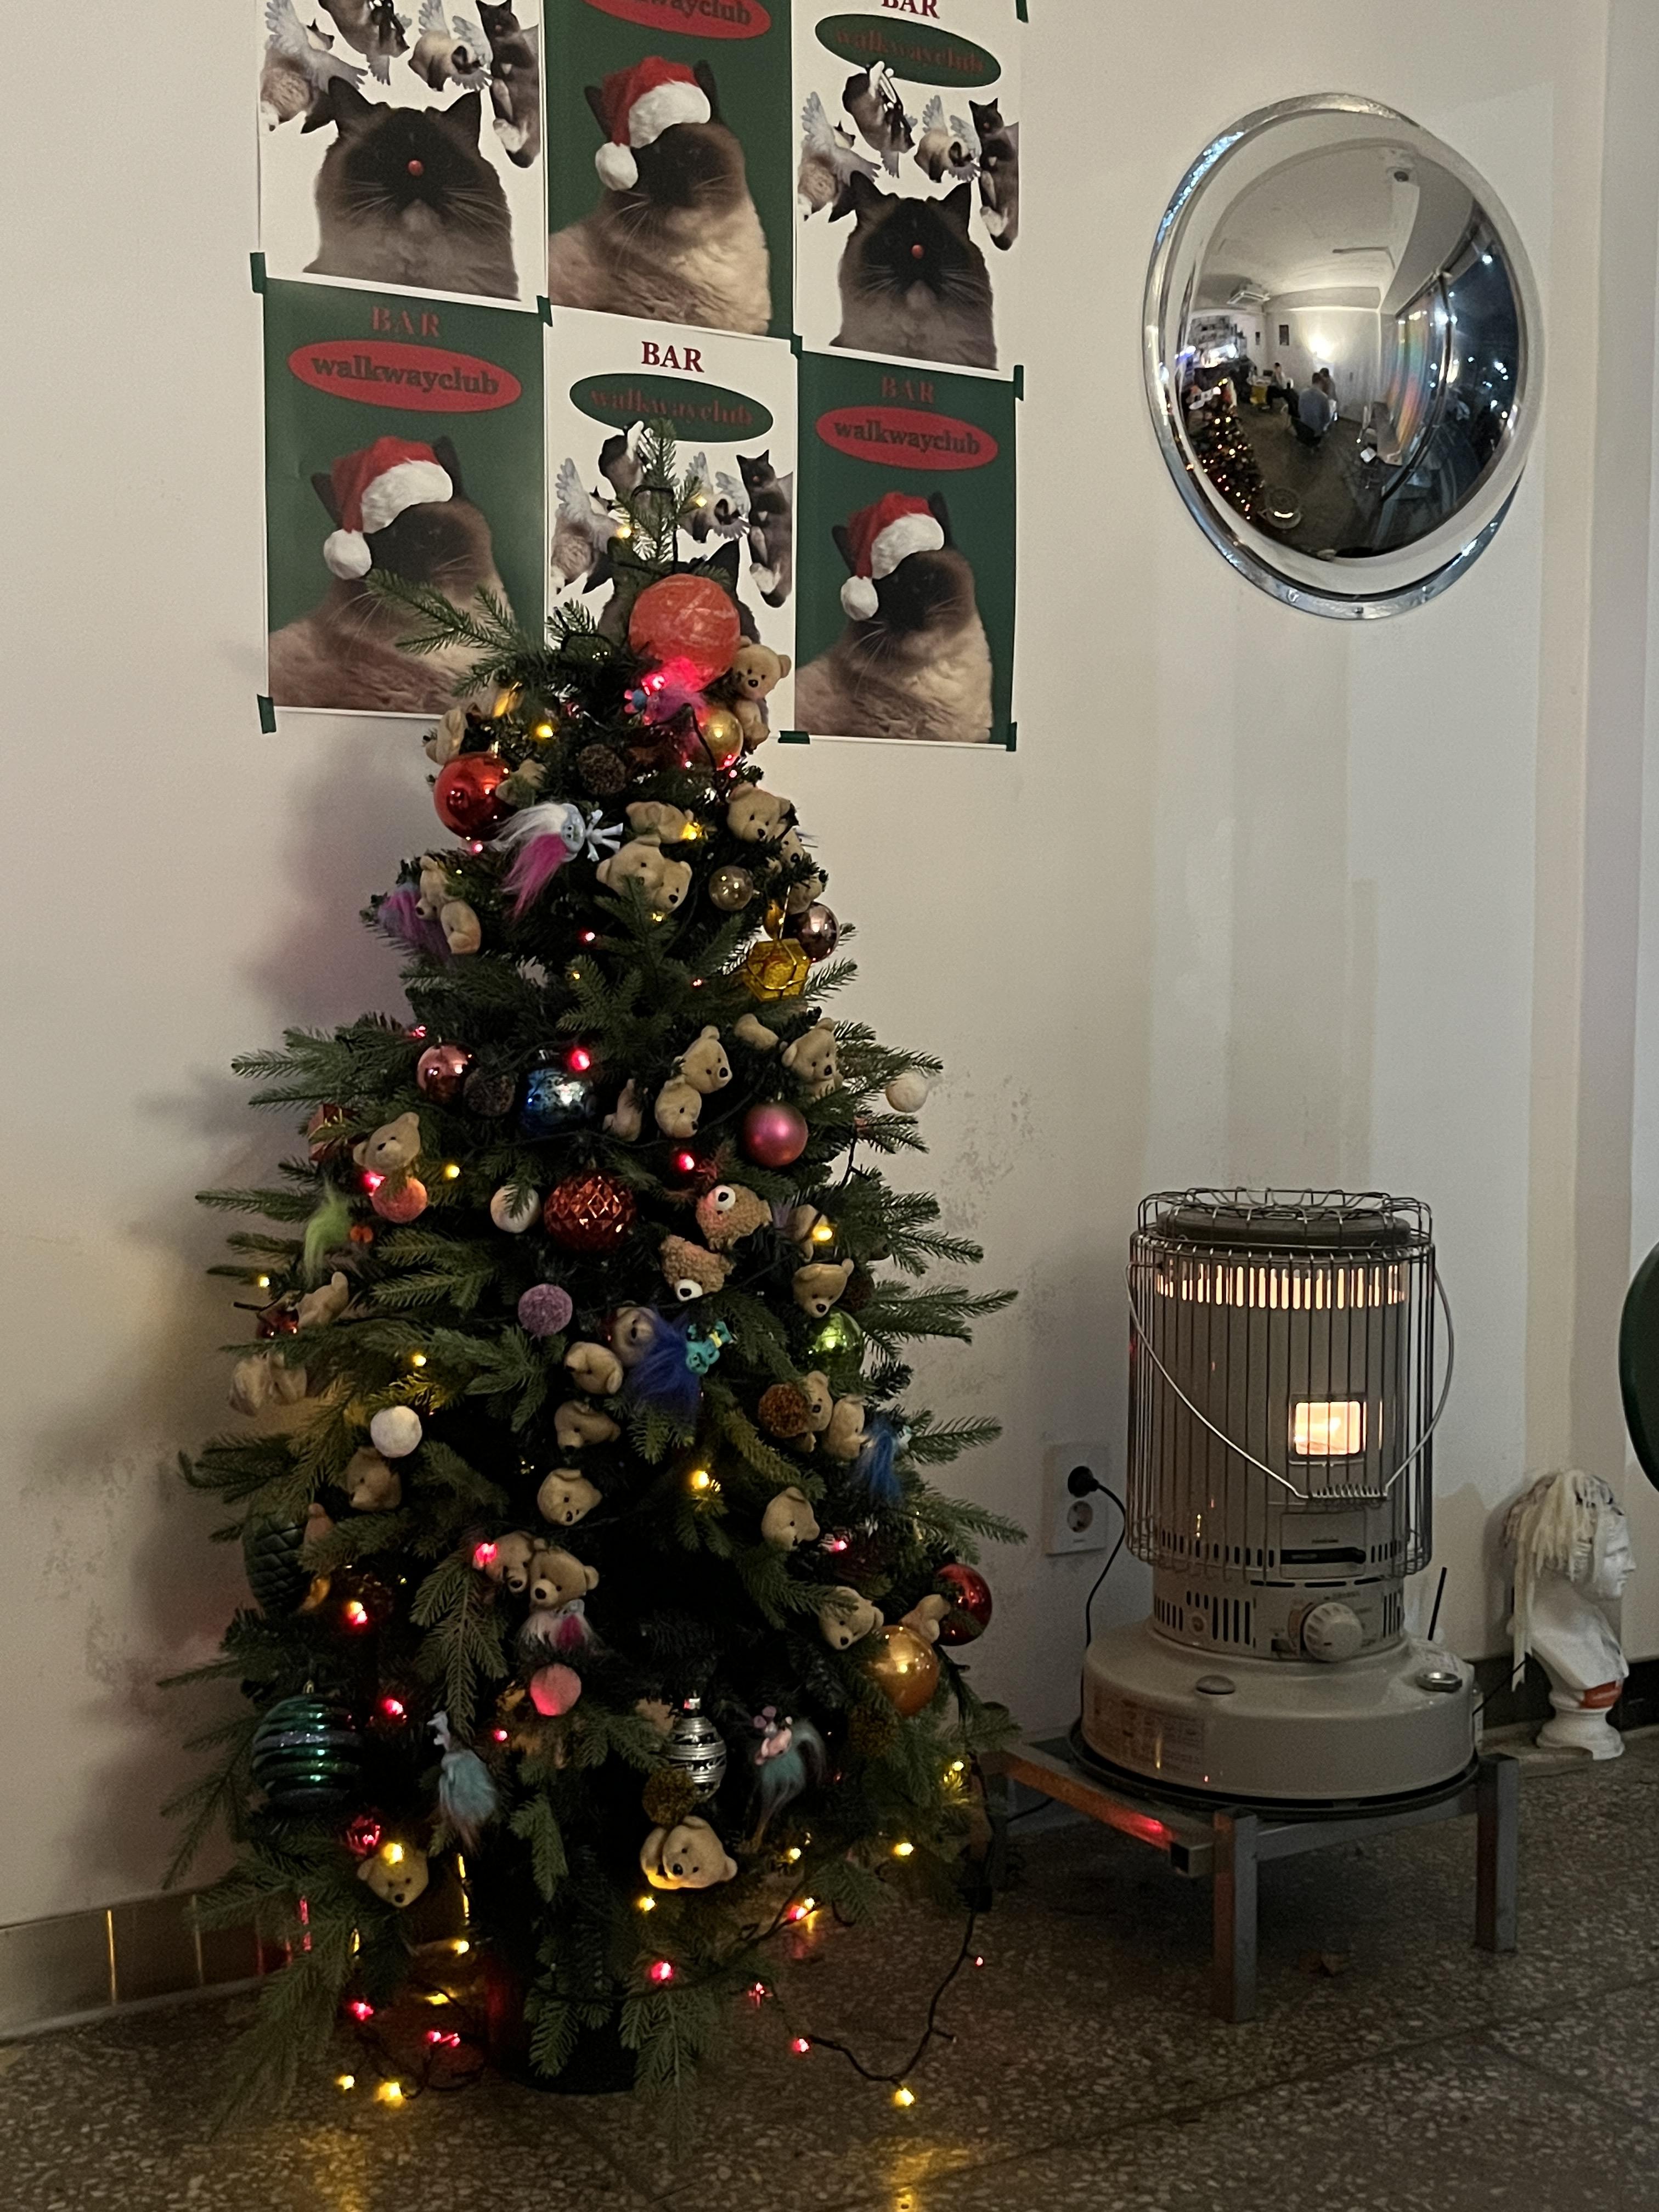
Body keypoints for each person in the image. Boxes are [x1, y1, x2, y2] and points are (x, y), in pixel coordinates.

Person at [1294, 370, 1338, 448]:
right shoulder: (1323, 397)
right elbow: (1327, 419)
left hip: (1302, 428)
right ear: (1320, 383)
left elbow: (1300, 411)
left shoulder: (1303, 393)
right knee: (1331, 422)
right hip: (1314, 432)